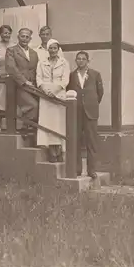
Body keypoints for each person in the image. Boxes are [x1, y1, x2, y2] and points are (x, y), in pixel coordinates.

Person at [66, 51, 104, 179]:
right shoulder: (71, 75)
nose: (81, 61)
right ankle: (76, 169)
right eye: (78, 59)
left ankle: (91, 170)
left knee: (91, 142)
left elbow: (100, 93)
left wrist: (90, 104)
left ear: (88, 61)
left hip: (90, 113)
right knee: (75, 140)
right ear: (75, 61)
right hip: (76, 113)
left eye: (83, 59)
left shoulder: (95, 74)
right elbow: (68, 91)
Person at [36, 39, 70, 163]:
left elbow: (65, 80)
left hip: (59, 95)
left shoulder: (64, 63)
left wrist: (54, 91)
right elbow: (38, 79)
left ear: (58, 49)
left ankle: (60, 151)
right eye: (51, 48)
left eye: (55, 48)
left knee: (59, 124)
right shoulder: (41, 63)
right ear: (48, 50)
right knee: (48, 124)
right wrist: (46, 91)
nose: (53, 50)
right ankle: (51, 152)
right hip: (46, 96)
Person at [5, 28, 39, 139]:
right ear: (18, 37)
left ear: (30, 38)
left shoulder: (34, 53)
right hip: (19, 86)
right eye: (22, 36)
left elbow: (36, 69)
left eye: (27, 37)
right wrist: (24, 82)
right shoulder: (11, 50)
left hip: (33, 86)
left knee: (43, 105)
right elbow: (11, 68)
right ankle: (25, 128)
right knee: (33, 105)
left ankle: (29, 129)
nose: (25, 39)